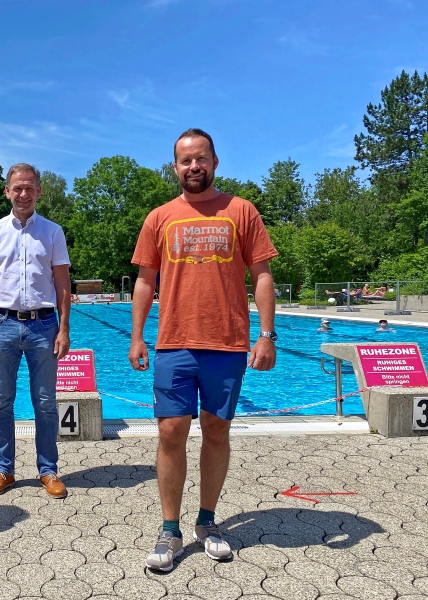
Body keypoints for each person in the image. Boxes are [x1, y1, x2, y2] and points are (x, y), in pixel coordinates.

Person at [129, 129, 278, 572]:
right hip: (174, 341)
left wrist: (266, 334)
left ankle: (208, 522)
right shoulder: (159, 217)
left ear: (214, 161)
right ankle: (169, 528)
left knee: (216, 430)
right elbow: (144, 281)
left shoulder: (241, 211)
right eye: (185, 161)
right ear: (175, 167)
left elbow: (262, 275)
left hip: (227, 342)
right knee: (170, 432)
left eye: (200, 159)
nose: (193, 167)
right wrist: (137, 336)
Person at [0, 163, 72, 500]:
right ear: (7, 191)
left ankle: (48, 470)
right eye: (17, 188)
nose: (23, 194)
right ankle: (4, 470)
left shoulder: (52, 232)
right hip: (2, 325)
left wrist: (64, 328)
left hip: (44, 325)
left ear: (38, 191)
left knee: (45, 403)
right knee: (1, 402)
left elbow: (62, 282)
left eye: (29, 187)